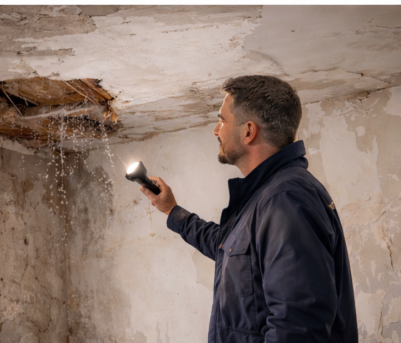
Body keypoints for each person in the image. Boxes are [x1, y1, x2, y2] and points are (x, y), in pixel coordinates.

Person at [141, 75, 357, 342]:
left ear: (248, 131)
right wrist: (172, 210)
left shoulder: (286, 199)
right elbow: (227, 247)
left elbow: (297, 328)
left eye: (222, 119)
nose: (216, 130)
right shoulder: (266, 196)